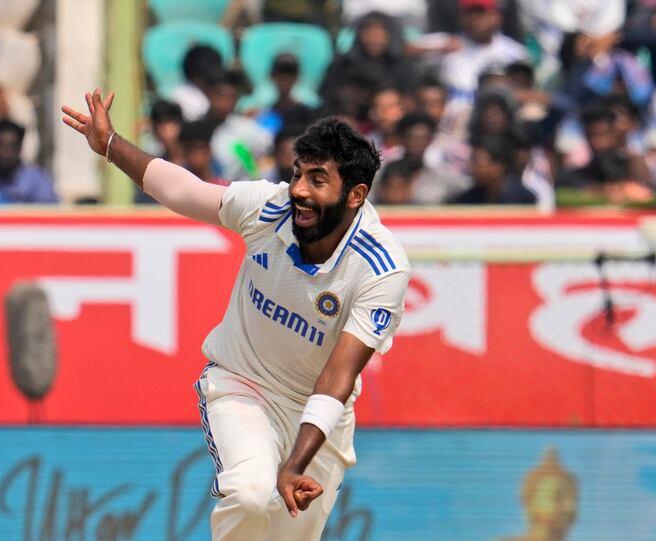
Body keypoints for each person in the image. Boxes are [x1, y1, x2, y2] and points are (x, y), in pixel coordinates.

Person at [62, 89, 409, 540]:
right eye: (298, 174)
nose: (299, 191)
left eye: (318, 180)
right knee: (249, 492)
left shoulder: (382, 267)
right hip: (245, 385)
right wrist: (111, 144)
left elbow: (337, 379)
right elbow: (184, 191)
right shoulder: (269, 206)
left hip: (320, 415)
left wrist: (296, 464)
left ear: (356, 195)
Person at [0, 119, 59, 204]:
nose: (4, 153)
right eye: (0, 146)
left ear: (20, 147)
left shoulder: (37, 181)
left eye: (10, 147)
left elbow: (47, 213)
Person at [450, 134, 537, 204]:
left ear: (499, 166)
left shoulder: (524, 200)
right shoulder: (466, 200)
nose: (473, 167)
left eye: (478, 162)